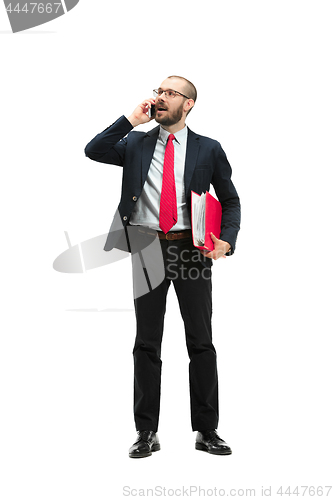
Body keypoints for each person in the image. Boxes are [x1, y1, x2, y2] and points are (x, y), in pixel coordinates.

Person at [84, 76, 241, 458]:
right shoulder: (136, 142)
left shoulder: (209, 149)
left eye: (170, 93)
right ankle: (146, 431)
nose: (160, 97)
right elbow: (93, 149)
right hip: (147, 247)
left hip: (192, 249)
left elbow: (231, 200)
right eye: (159, 91)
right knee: (146, 343)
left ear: (188, 104)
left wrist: (227, 241)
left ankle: (207, 429)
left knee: (200, 341)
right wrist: (131, 120)